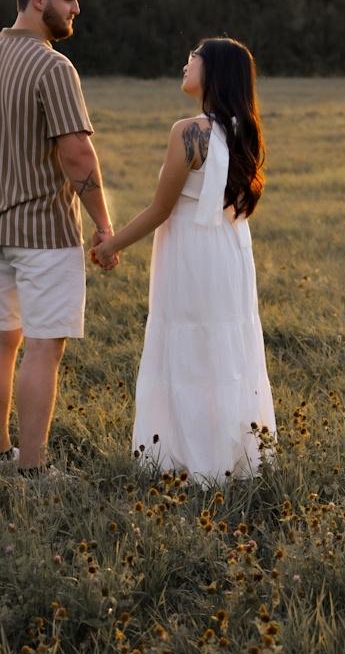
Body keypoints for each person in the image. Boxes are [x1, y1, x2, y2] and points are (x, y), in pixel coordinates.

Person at [0, 0, 118, 478]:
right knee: (45, 346)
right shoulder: (53, 66)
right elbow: (76, 154)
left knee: (2, 338)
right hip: (43, 232)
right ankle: (32, 469)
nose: (76, 11)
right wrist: (103, 223)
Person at [92, 37, 276, 485]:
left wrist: (111, 246)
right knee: (225, 347)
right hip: (230, 252)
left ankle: (191, 462)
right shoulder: (242, 129)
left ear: (212, 70)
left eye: (193, 57)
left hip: (192, 253)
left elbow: (160, 209)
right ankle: (232, 458)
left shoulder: (188, 131)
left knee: (190, 349)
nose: (185, 63)